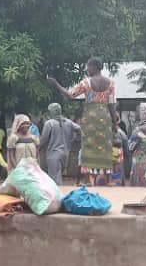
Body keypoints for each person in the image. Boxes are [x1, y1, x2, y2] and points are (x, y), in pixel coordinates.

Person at [48, 57, 117, 186]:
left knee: (88, 146)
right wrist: (115, 124)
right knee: (106, 147)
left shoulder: (86, 83)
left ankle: (87, 180)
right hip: (105, 117)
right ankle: (109, 180)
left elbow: (70, 94)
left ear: (94, 67)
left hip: (90, 118)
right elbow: (112, 104)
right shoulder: (111, 83)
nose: (87, 69)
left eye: (88, 66)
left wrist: (55, 83)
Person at [35, 103, 79, 185]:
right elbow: (79, 128)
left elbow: (44, 139)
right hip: (65, 154)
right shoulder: (68, 122)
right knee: (58, 175)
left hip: (53, 153)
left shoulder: (49, 123)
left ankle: (57, 196)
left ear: (52, 112)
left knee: (54, 179)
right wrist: (76, 139)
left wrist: (37, 148)